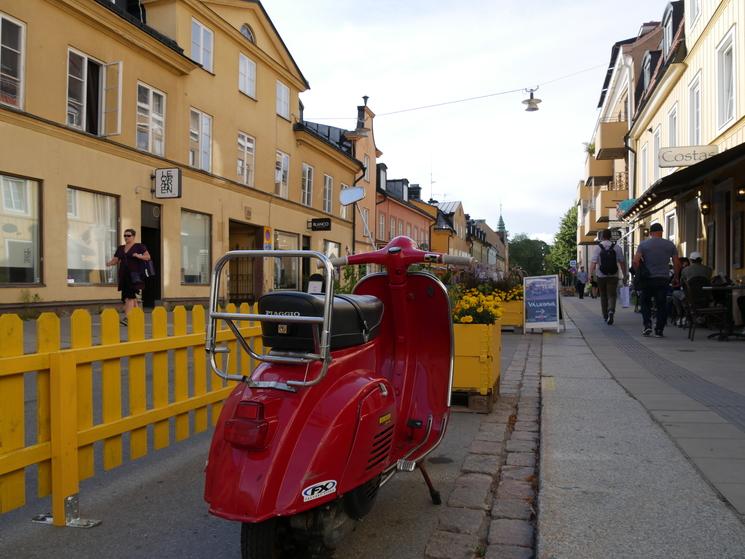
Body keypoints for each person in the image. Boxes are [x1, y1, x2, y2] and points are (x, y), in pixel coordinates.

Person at [633, 223, 680, 337]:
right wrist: (676, 277)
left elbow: (635, 261)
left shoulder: (643, 245)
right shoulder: (670, 245)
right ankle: (659, 329)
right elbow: (676, 263)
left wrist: (638, 273)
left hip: (648, 279)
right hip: (663, 279)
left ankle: (647, 325)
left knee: (645, 302)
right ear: (661, 232)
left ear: (650, 233)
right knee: (661, 304)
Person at [107, 228, 151, 324]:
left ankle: (127, 318)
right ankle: (138, 317)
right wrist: (109, 263)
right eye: (125, 235)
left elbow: (147, 257)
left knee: (129, 296)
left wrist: (139, 256)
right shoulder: (121, 248)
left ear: (133, 236)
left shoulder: (139, 246)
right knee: (130, 297)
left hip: (135, 275)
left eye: (128, 235)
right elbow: (115, 260)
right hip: (123, 275)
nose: (126, 237)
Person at [589, 229, 628, 325]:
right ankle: (611, 311)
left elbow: (593, 263)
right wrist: (624, 274)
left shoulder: (597, 248)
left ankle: (605, 315)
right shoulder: (617, 248)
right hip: (613, 275)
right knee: (612, 295)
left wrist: (590, 275)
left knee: (603, 295)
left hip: (601, 275)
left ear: (602, 237)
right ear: (610, 236)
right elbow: (622, 262)